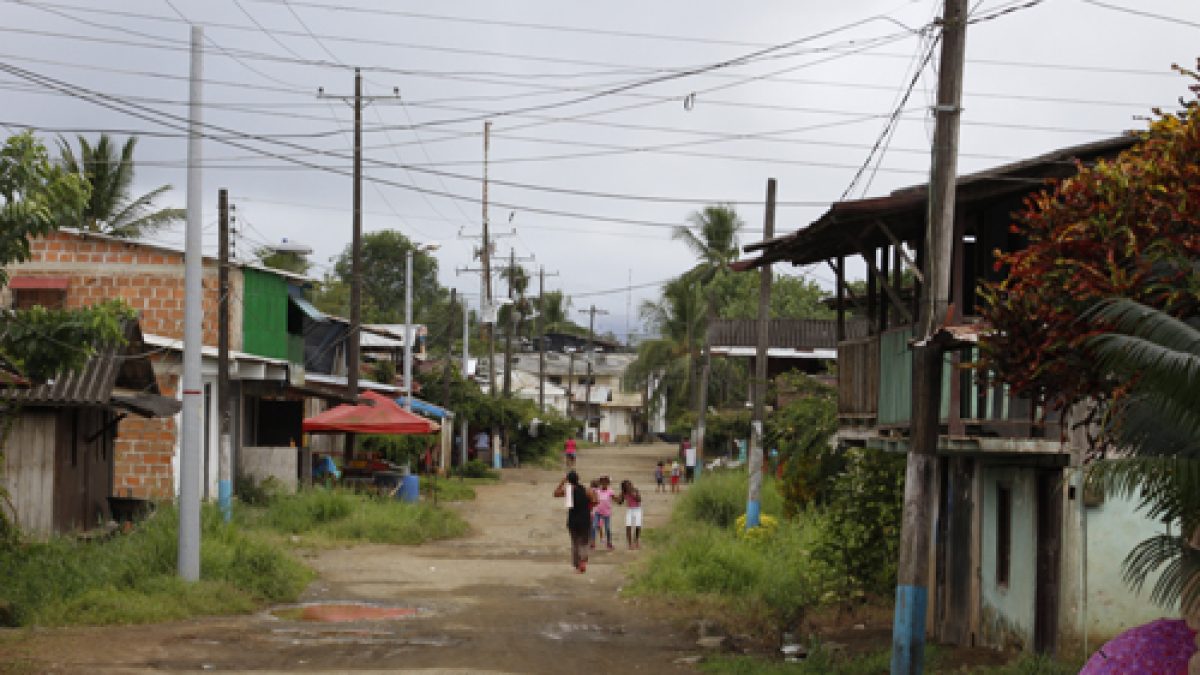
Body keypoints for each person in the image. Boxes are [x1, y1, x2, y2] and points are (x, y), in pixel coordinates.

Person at [553, 471, 593, 573]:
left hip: (573, 519)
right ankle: (583, 561)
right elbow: (595, 500)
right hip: (585, 519)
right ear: (578, 478)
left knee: (575, 542)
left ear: (568, 480)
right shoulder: (587, 490)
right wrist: (589, 508)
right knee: (584, 541)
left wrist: (562, 482)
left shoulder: (568, 490)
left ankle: (577, 564)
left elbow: (555, 493)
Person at [616, 479, 643, 549]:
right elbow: (619, 502)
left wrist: (633, 494)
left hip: (637, 509)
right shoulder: (624, 493)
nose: (628, 487)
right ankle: (630, 543)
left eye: (629, 485)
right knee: (628, 526)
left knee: (638, 525)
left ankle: (636, 540)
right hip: (630, 510)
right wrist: (618, 498)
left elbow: (639, 499)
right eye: (626, 486)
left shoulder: (635, 490)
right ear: (624, 487)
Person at [591, 475, 615, 550]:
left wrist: (620, 498)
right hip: (598, 512)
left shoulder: (610, 491)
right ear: (600, 483)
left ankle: (609, 543)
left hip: (606, 513)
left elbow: (615, 498)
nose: (604, 484)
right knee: (594, 526)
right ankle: (593, 543)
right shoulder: (597, 491)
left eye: (605, 482)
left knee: (607, 528)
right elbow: (593, 499)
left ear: (608, 483)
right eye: (602, 482)